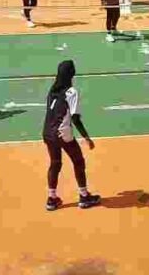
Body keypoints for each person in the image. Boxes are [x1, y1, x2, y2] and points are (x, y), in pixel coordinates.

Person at [42, 59, 101, 211]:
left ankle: (51, 199)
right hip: (62, 133)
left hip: (47, 133)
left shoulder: (52, 90)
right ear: (72, 73)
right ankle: (84, 196)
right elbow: (75, 118)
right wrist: (86, 137)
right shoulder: (71, 92)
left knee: (55, 163)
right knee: (78, 161)